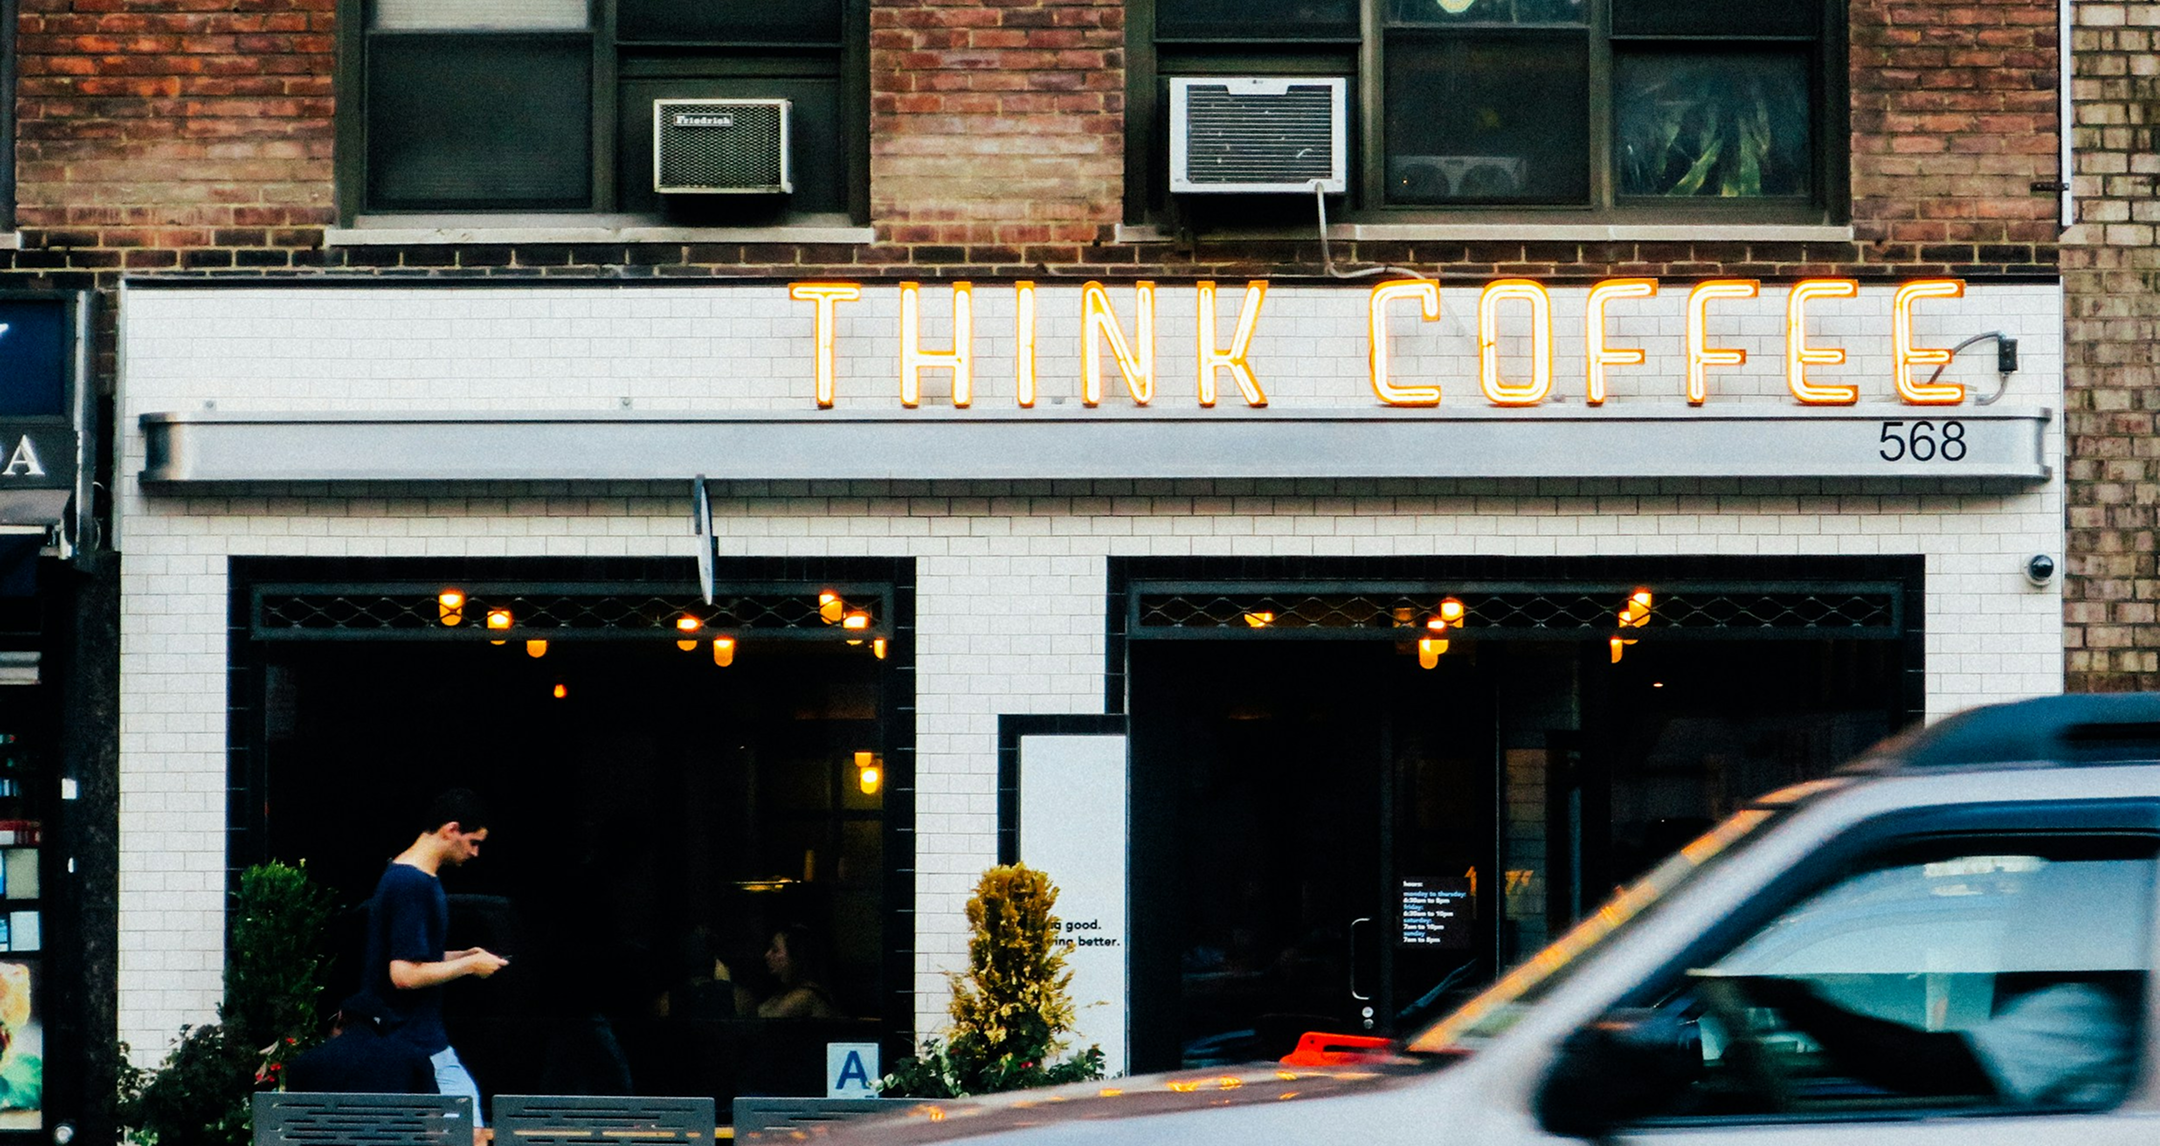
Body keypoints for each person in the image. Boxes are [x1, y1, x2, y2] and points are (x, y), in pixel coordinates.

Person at [362, 789, 510, 1122]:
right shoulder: (411, 883)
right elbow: (403, 974)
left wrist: (463, 955)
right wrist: (470, 965)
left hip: (415, 1040)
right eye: (473, 841)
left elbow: (413, 955)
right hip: (415, 1041)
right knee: (468, 1127)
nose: (475, 853)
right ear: (451, 829)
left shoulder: (411, 876)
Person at [284, 993, 438, 1095]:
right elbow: (434, 1119)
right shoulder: (415, 1059)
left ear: (340, 1016)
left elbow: (291, 1121)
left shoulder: (305, 1062)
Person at [717, 923, 839, 1019]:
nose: (767, 955)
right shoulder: (784, 991)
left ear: (795, 956)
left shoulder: (806, 995)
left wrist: (725, 985)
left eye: (775, 950)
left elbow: (761, 1024)